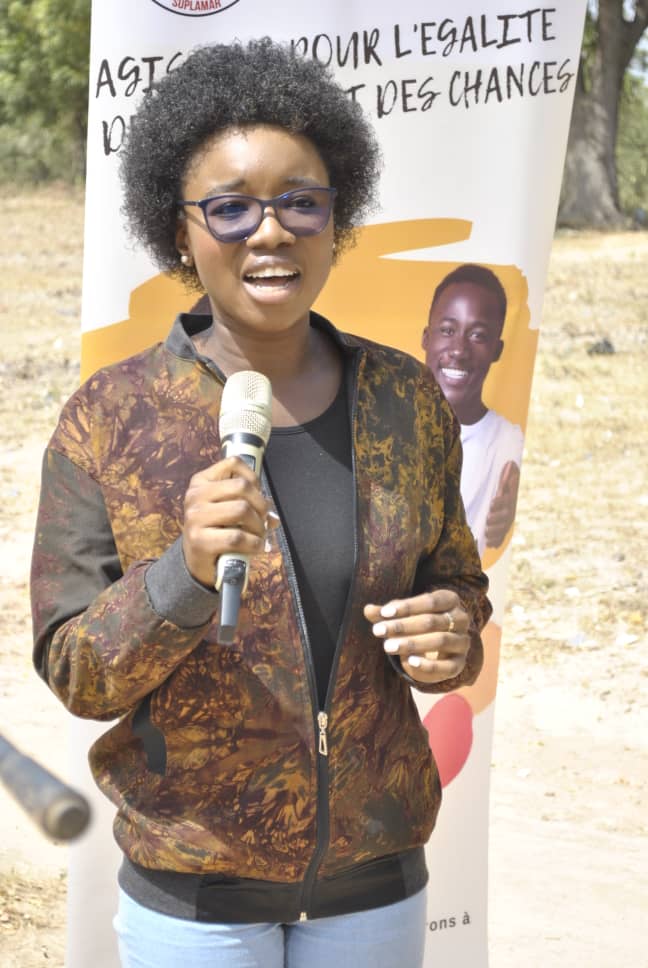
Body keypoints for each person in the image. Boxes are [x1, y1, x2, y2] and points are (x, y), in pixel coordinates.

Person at [31, 39, 491, 968]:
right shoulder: (109, 419)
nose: (269, 232)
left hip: (377, 884)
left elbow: (458, 585)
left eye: (300, 202)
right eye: (231, 208)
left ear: (337, 216)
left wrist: (453, 637)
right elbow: (75, 669)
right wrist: (182, 576)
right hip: (195, 901)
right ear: (179, 230)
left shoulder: (403, 398)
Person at [422, 264, 525, 558]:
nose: (459, 350)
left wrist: (514, 505)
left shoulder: (507, 441)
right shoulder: (381, 425)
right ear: (426, 338)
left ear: (497, 350)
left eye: (478, 336)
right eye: (447, 331)